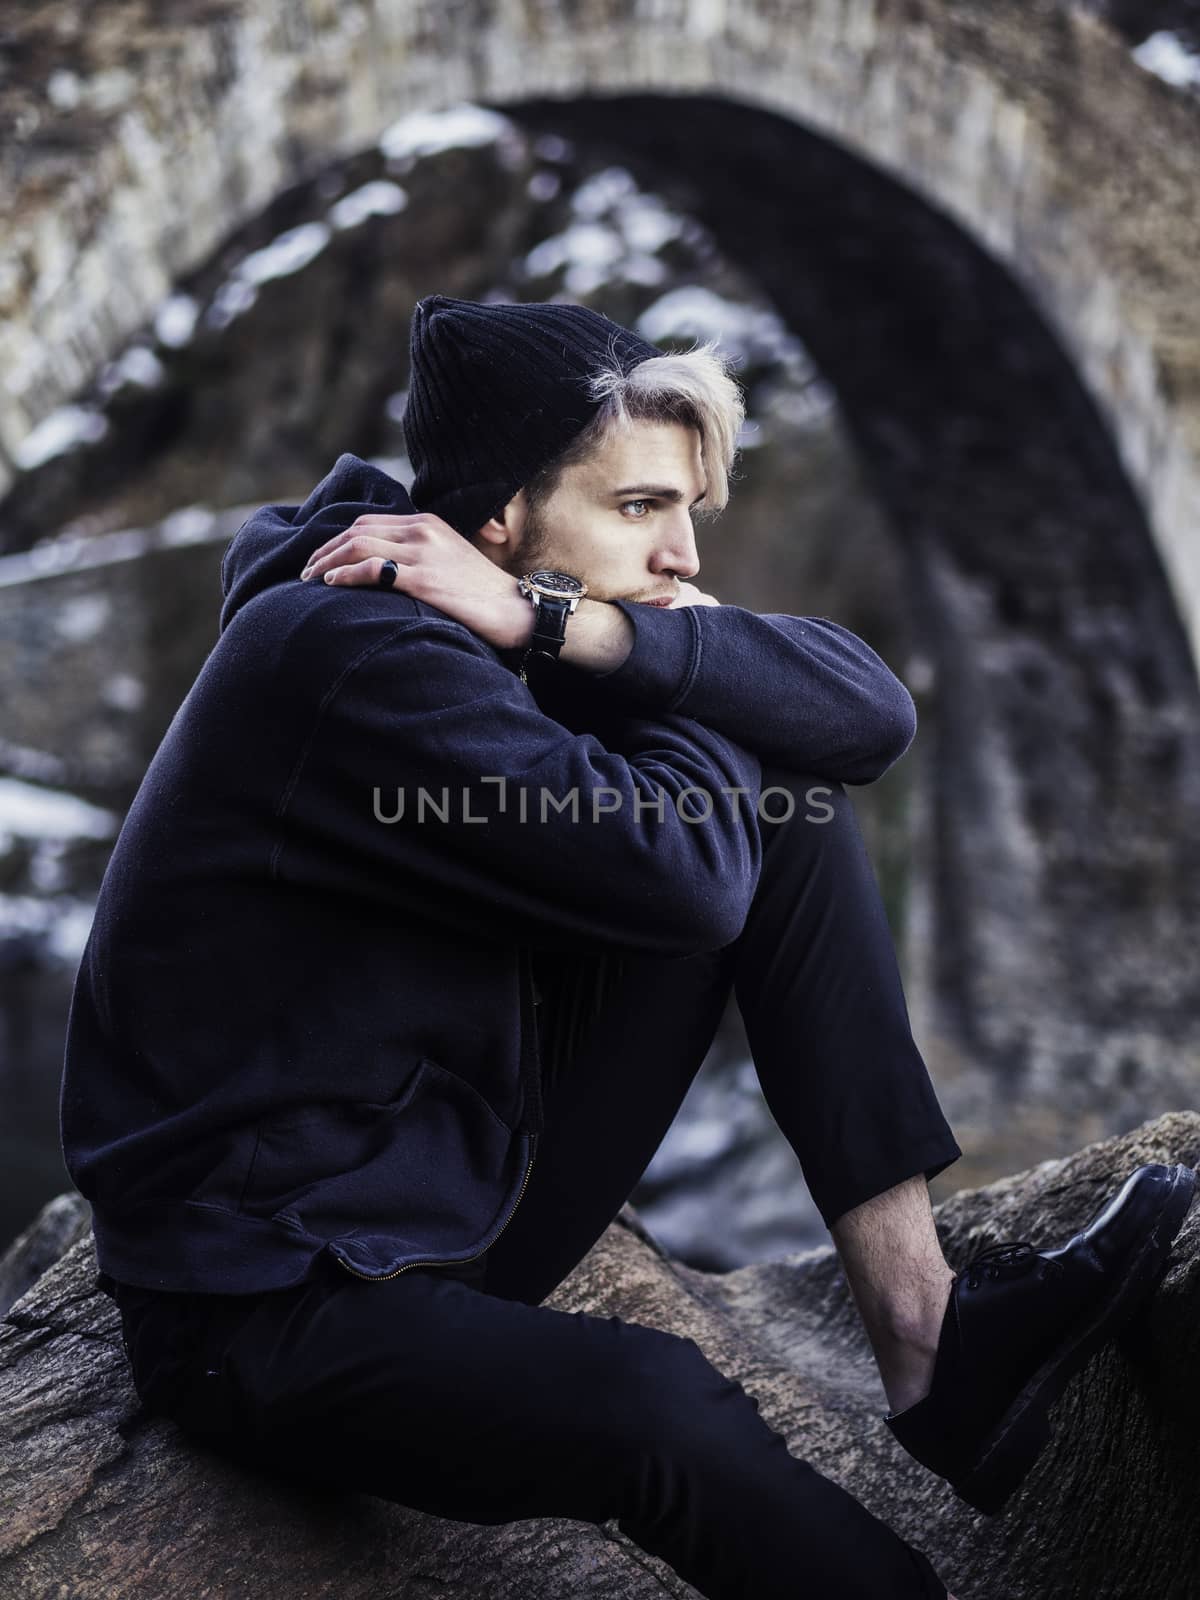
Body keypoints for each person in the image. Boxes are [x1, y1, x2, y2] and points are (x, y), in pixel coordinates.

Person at [59, 294, 1194, 1600]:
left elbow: (872, 717)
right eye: (642, 507)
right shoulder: (354, 648)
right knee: (662, 1408)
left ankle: (932, 1340)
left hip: (441, 1189)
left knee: (794, 817)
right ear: (500, 518)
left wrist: (584, 629)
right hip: (269, 1299)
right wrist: (680, 669)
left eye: (690, 511)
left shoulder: (512, 610)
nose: (682, 554)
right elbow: (691, 880)